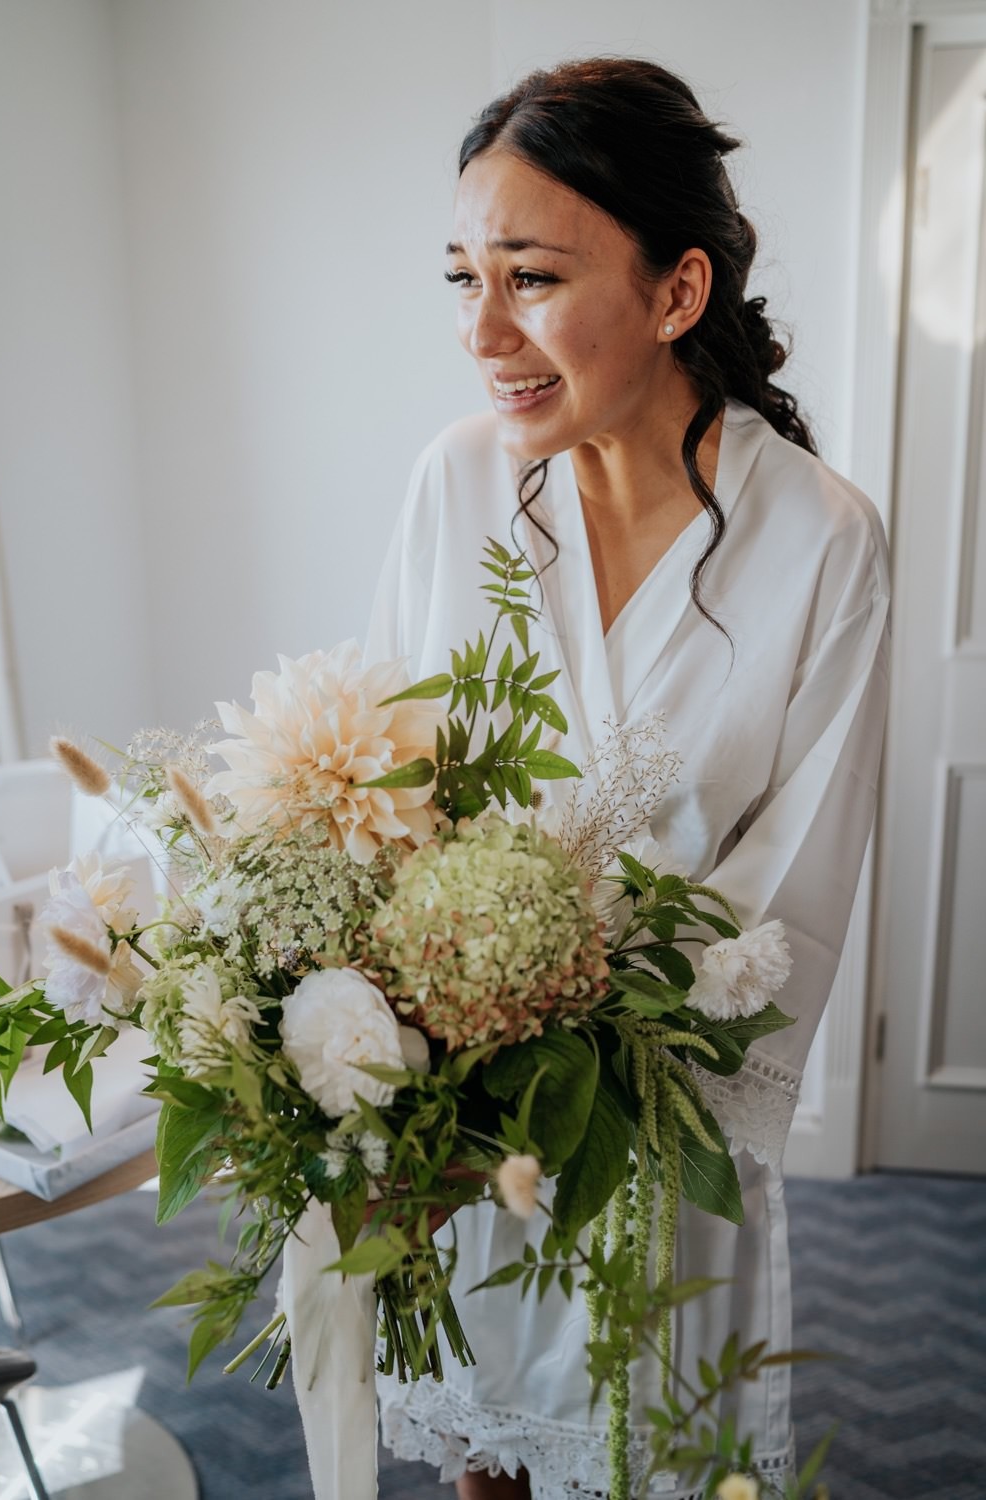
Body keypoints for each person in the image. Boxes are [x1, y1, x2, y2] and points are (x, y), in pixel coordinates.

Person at [364, 57, 890, 1500]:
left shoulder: (823, 543)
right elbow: (386, 791)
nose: (484, 331)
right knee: (479, 1440)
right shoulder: (455, 486)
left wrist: (584, 1051)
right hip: (460, 1101)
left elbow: (802, 873)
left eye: (529, 276)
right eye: (462, 276)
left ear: (676, 293)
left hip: (655, 1110)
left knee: (645, 1438)